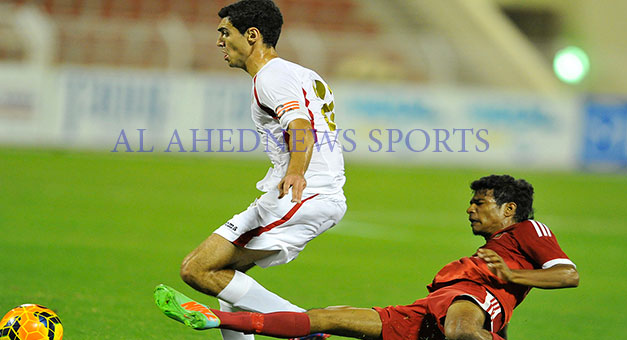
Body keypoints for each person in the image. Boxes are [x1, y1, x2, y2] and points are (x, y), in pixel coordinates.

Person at [156, 175, 579, 340]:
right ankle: (218, 320)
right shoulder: (494, 247)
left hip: (471, 300)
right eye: (471, 202)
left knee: (462, 334)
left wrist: (514, 273)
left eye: (480, 202)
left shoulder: (529, 231)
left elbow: (567, 275)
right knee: (329, 317)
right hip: (427, 312)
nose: (470, 208)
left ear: (509, 209)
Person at [174, 1, 346, 340]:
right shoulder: (300, 72)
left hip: (303, 193)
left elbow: (301, 127)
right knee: (226, 276)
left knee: (197, 269)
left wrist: (296, 172)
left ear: (252, 35)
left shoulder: (271, 77)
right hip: (308, 193)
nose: (219, 42)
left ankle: (307, 328)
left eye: (225, 33)